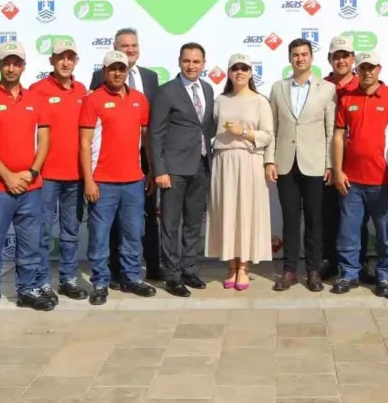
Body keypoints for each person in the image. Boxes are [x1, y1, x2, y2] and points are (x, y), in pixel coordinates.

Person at [0, 42, 52, 322]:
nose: (11, 67)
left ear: (23, 66)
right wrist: (7, 176)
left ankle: (28, 289)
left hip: (31, 186)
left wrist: (30, 173)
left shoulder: (36, 99)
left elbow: (44, 140)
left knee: (30, 244)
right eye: (7, 62)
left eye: (16, 62)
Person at [80, 50, 157, 305]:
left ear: (127, 71)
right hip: (102, 182)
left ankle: (131, 277)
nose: (117, 73)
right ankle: (100, 282)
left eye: (121, 69)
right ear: (104, 71)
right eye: (112, 68)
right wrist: (89, 180)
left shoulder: (139, 100)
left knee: (133, 234)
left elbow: (146, 140)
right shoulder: (93, 100)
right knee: (100, 237)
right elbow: (84, 143)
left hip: (134, 180)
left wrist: (151, 170)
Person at [266, 38, 337, 292]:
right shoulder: (277, 88)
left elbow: (330, 130)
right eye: (295, 55)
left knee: (315, 220)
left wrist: (330, 163)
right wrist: (270, 159)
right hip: (286, 163)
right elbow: (271, 128)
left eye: (304, 54)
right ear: (289, 58)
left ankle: (313, 271)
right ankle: (289, 270)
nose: (300, 59)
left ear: (311, 57)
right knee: (290, 219)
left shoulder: (326, 89)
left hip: (315, 163)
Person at [150, 42, 217, 297]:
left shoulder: (208, 90)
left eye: (196, 61)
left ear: (203, 63)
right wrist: (160, 170)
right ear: (179, 62)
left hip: (201, 166)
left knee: (192, 224)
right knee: (170, 225)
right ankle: (173, 275)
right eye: (187, 61)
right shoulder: (167, 92)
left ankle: (189, 269)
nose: (191, 66)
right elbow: (155, 134)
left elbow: (207, 127)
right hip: (173, 170)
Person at [331, 52, 388, 296]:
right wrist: (338, 170)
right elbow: (338, 136)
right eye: (363, 68)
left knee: (384, 233)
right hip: (352, 180)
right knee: (348, 231)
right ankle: (349, 274)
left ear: (379, 69)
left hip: (383, 179)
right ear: (356, 71)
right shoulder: (348, 98)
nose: (367, 72)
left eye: (371, 68)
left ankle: (385, 275)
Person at [208, 53, 275, 289]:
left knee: (246, 213)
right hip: (224, 161)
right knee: (227, 213)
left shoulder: (260, 101)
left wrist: (244, 133)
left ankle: (244, 266)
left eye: (244, 68)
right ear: (228, 72)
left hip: (249, 161)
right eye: (235, 68)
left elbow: (267, 135)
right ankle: (231, 266)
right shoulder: (220, 100)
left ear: (250, 72)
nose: (240, 72)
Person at [28, 39, 88, 301]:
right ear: (51, 60)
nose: (65, 62)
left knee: (71, 233)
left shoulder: (82, 90)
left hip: (75, 175)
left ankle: (68, 279)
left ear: (76, 60)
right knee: (41, 233)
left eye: (70, 57)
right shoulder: (36, 90)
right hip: (46, 175)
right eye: (60, 57)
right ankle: (41, 282)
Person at [321, 35, 363, 282]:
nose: (341, 60)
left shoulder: (365, 83)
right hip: (326, 161)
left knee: (359, 217)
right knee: (328, 213)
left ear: (353, 58)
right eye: (336, 56)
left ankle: (358, 262)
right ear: (329, 59)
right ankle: (330, 260)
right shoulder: (321, 86)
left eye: (345, 55)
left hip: (357, 161)